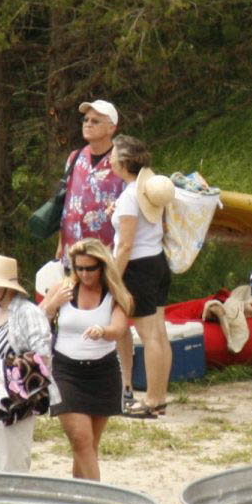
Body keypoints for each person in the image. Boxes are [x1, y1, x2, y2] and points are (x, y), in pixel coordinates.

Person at [43, 238, 132, 480]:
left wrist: (102, 331)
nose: (84, 274)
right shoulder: (63, 288)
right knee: (80, 438)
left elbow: (119, 329)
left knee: (88, 446)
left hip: (102, 372)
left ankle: (80, 493)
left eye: (90, 268)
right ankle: (99, 495)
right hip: (66, 372)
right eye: (79, 268)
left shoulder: (114, 294)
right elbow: (37, 318)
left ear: (102, 266)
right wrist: (53, 304)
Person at [109, 135, 174, 418]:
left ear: (124, 162)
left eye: (113, 154)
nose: (110, 159)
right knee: (158, 332)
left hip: (138, 266)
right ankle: (159, 396)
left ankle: (152, 399)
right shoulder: (146, 190)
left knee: (149, 336)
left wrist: (113, 277)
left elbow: (125, 245)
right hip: (157, 261)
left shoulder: (129, 196)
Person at [0, 254, 54, 472]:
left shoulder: (28, 312)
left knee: (12, 461)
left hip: (13, 399)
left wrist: (11, 379)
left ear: (7, 288)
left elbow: (43, 356)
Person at [61, 99, 127, 252]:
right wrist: (60, 242)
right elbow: (66, 201)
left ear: (111, 128)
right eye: (86, 120)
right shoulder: (75, 157)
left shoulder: (122, 160)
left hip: (105, 249)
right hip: (72, 247)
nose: (88, 124)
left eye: (95, 121)